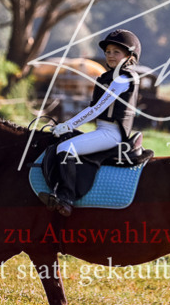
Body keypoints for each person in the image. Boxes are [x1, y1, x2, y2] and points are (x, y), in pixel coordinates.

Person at [45, 29, 142, 217]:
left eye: (117, 52)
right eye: (108, 52)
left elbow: (96, 109)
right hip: (103, 131)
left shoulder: (123, 79)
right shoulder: (109, 77)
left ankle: (66, 198)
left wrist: (68, 125)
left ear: (130, 56)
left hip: (112, 134)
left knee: (65, 149)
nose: (111, 56)